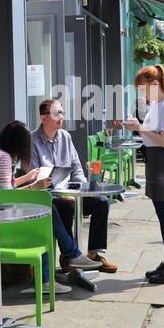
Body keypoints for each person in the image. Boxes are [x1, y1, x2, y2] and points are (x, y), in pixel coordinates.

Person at [0, 120, 101, 295]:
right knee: (45, 212)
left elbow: (3, 187)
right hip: (0, 217)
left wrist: (27, 177)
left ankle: (70, 256)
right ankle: (55, 270)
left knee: (55, 205)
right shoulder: (4, 157)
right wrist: (35, 186)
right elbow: (6, 195)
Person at [30, 99, 118, 274]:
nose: (61, 117)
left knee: (101, 201)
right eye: (56, 113)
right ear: (43, 117)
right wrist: (62, 195)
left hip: (71, 190)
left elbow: (77, 167)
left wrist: (82, 188)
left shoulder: (65, 136)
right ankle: (69, 257)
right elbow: (35, 177)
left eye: (62, 112)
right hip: (49, 196)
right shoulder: (32, 140)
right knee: (63, 206)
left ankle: (93, 254)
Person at [124, 64, 164, 285]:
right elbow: (154, 136)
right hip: (157, 161)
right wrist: (139, 128)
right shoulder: (159, 105)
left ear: (155, 84)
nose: (141, 93)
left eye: (143, 88)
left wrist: (140, 128)